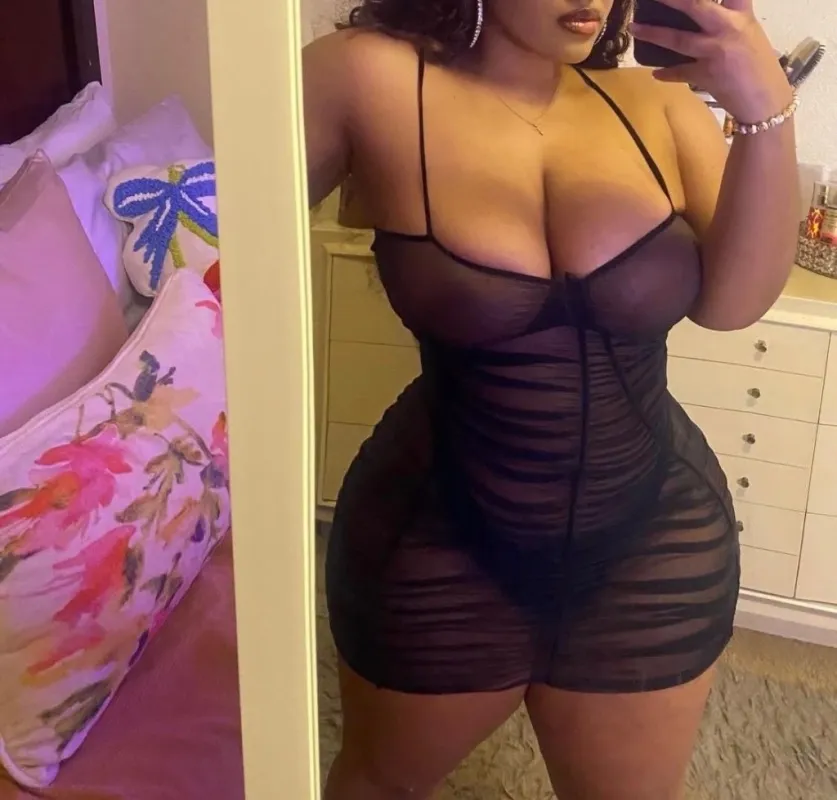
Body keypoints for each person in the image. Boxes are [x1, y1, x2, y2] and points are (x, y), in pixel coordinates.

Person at [303, 0, 799, 797]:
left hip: (651, 541)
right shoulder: (369, 75)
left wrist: (763, 111)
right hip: (438, 538)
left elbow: (732, 305)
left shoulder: (658, 105)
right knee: (375, 783)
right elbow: (226, 242)